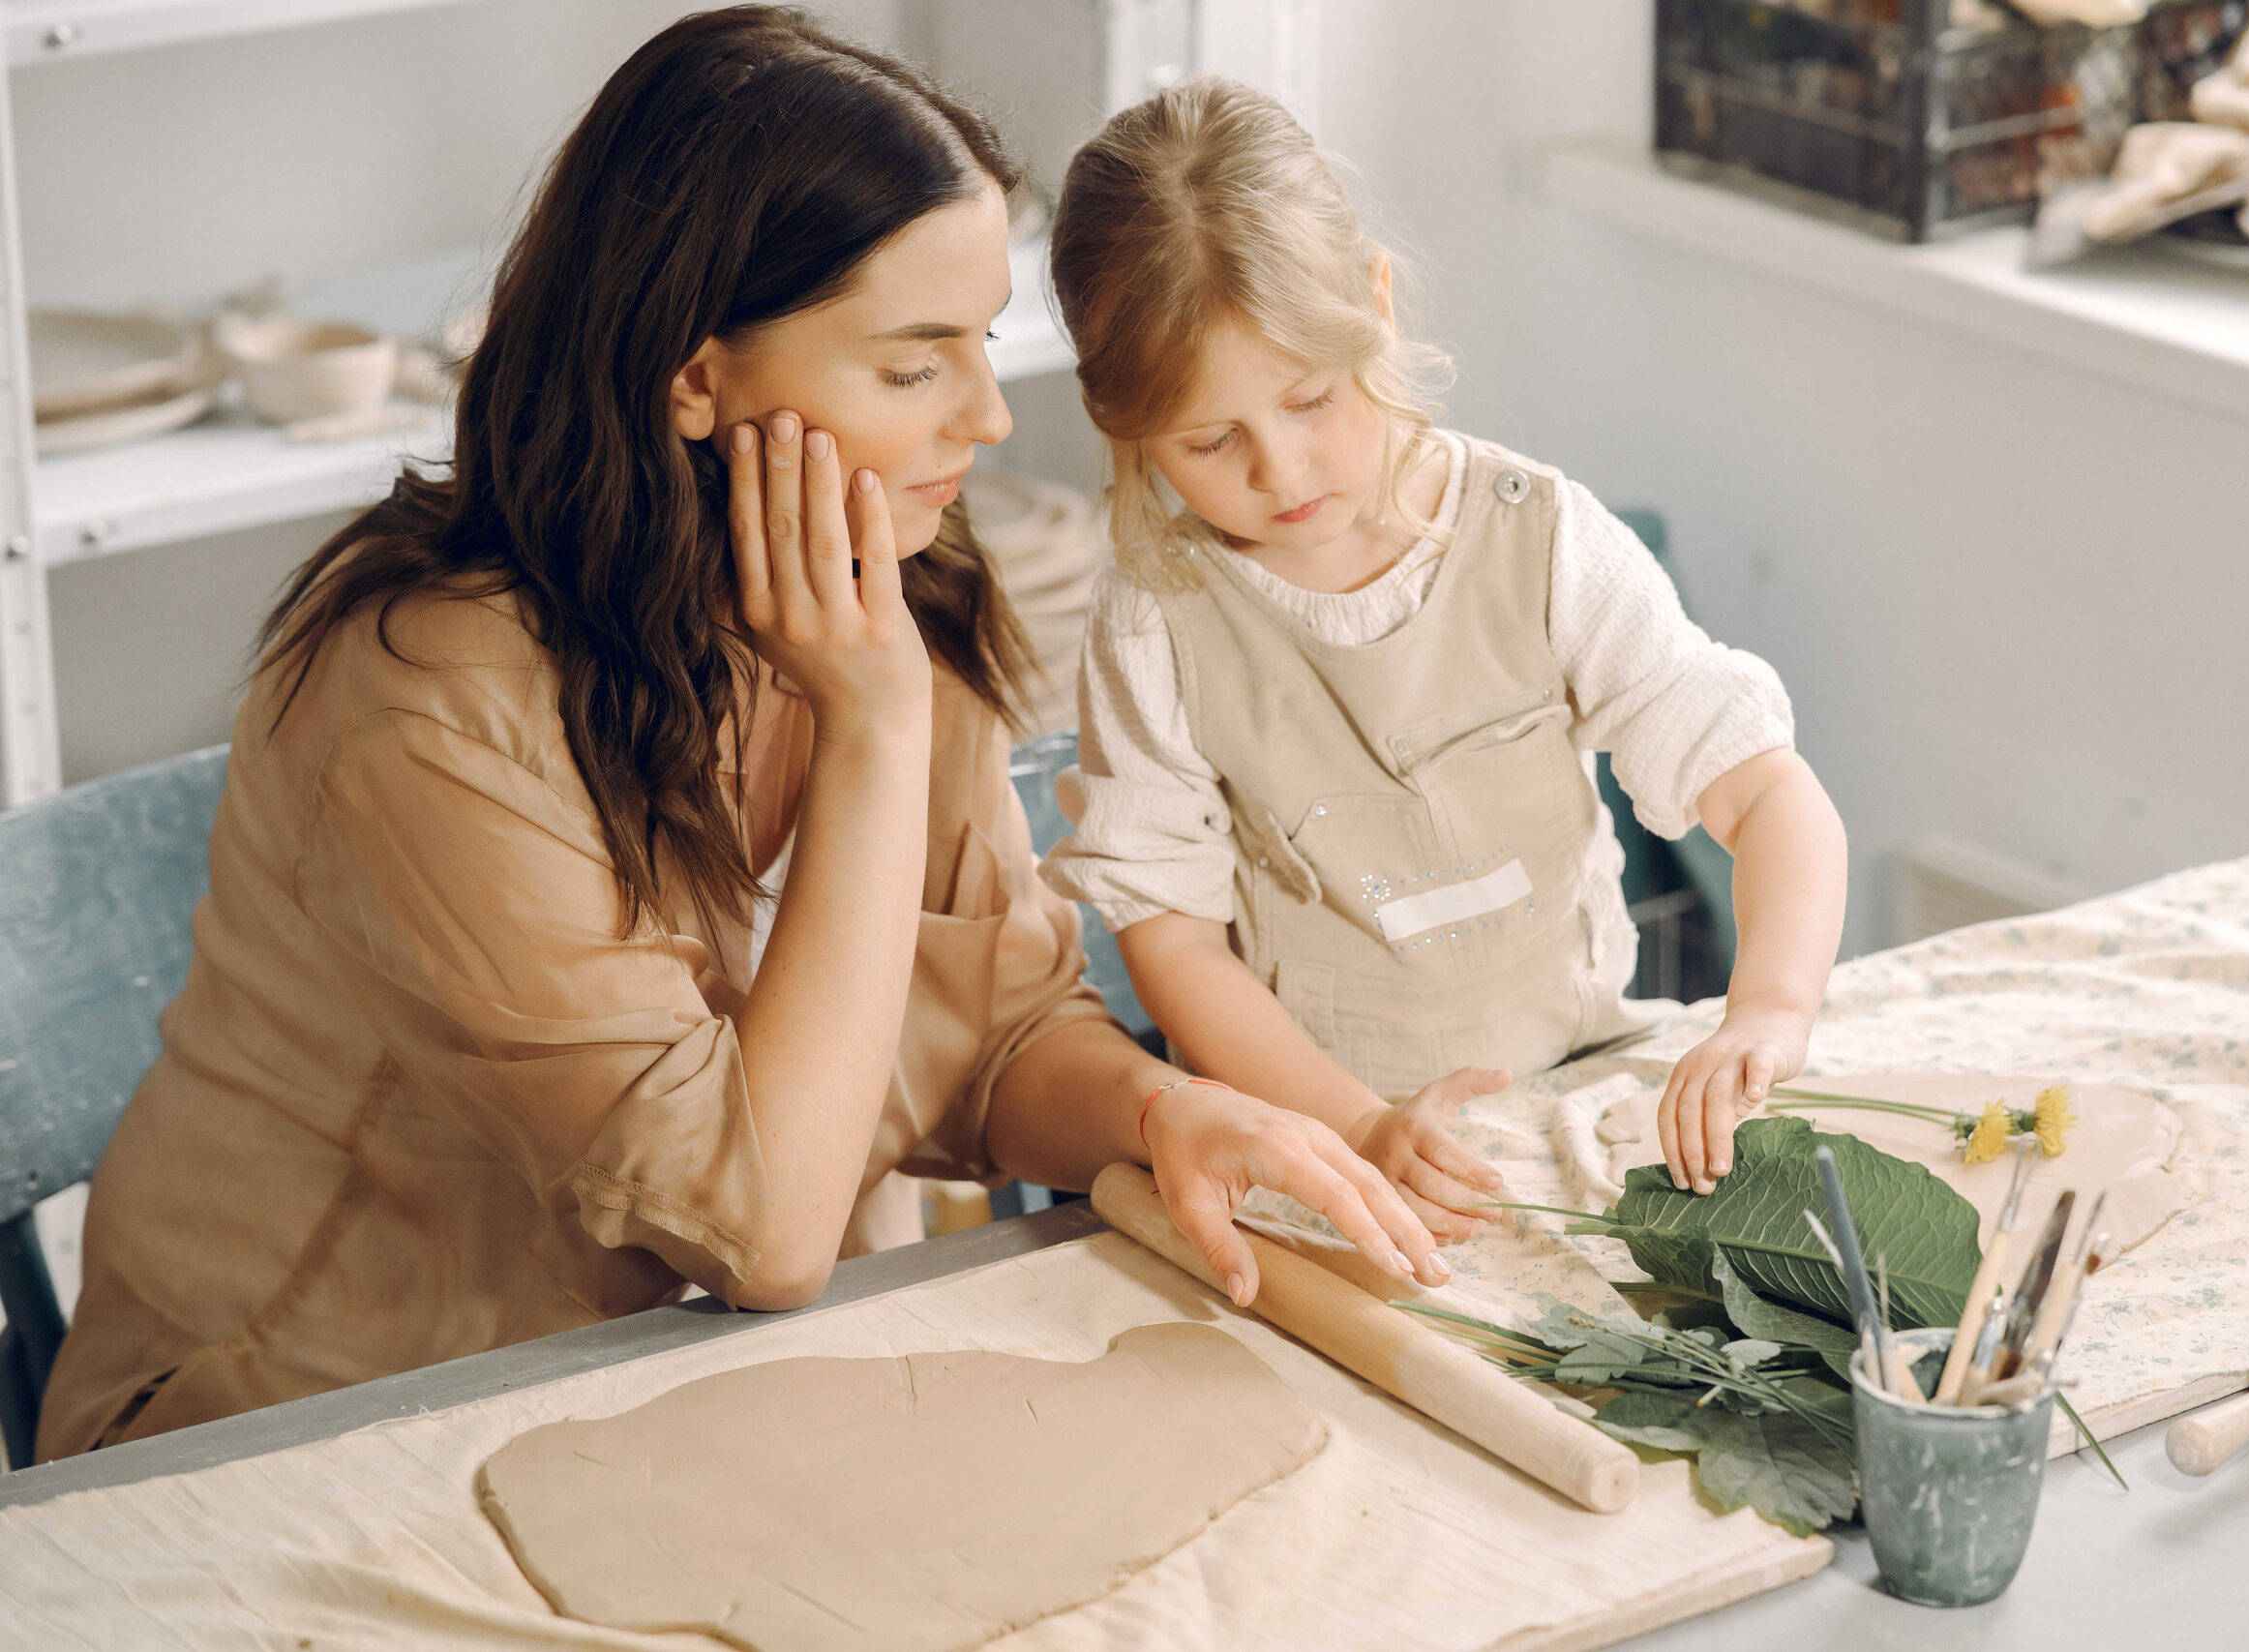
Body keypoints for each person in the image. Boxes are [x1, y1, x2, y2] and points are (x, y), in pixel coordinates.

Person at [34, 11, 1448, 1462]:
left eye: (980, 345)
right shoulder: (430, 703)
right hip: (304, 1431)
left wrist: (1163, 1111)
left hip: (698, 1398)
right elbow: (756, 1228)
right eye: (913, 368)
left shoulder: (890, 589)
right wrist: (875, 729)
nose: (986, 417)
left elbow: (996, 1029)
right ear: (695, 378)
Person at [1038, 78, 1850, 1241]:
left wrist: (1766, 1012)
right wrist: (1360, 1127)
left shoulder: (1542, 538)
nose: (1280, 472)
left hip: (1568, 1099)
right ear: (1122, 424)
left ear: (1373, 303)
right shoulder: (1151, 620)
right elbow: (1170, 934)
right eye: (1210, 442)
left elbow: (1766, 789)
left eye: (1310, 400)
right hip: (1314, 1150)